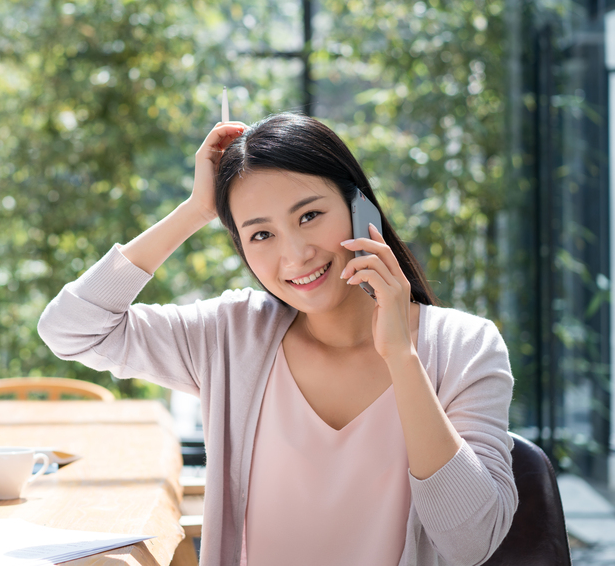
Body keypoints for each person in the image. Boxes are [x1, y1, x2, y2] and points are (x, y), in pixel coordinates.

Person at [37, 113, 517, 566]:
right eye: (261, 234)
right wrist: (195, 211)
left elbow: (471, 544)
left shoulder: (466, 348)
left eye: (309, 216)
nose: (295, 256)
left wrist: (402, 358)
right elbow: (71, 330)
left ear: (359, 207)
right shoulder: (232, 334)